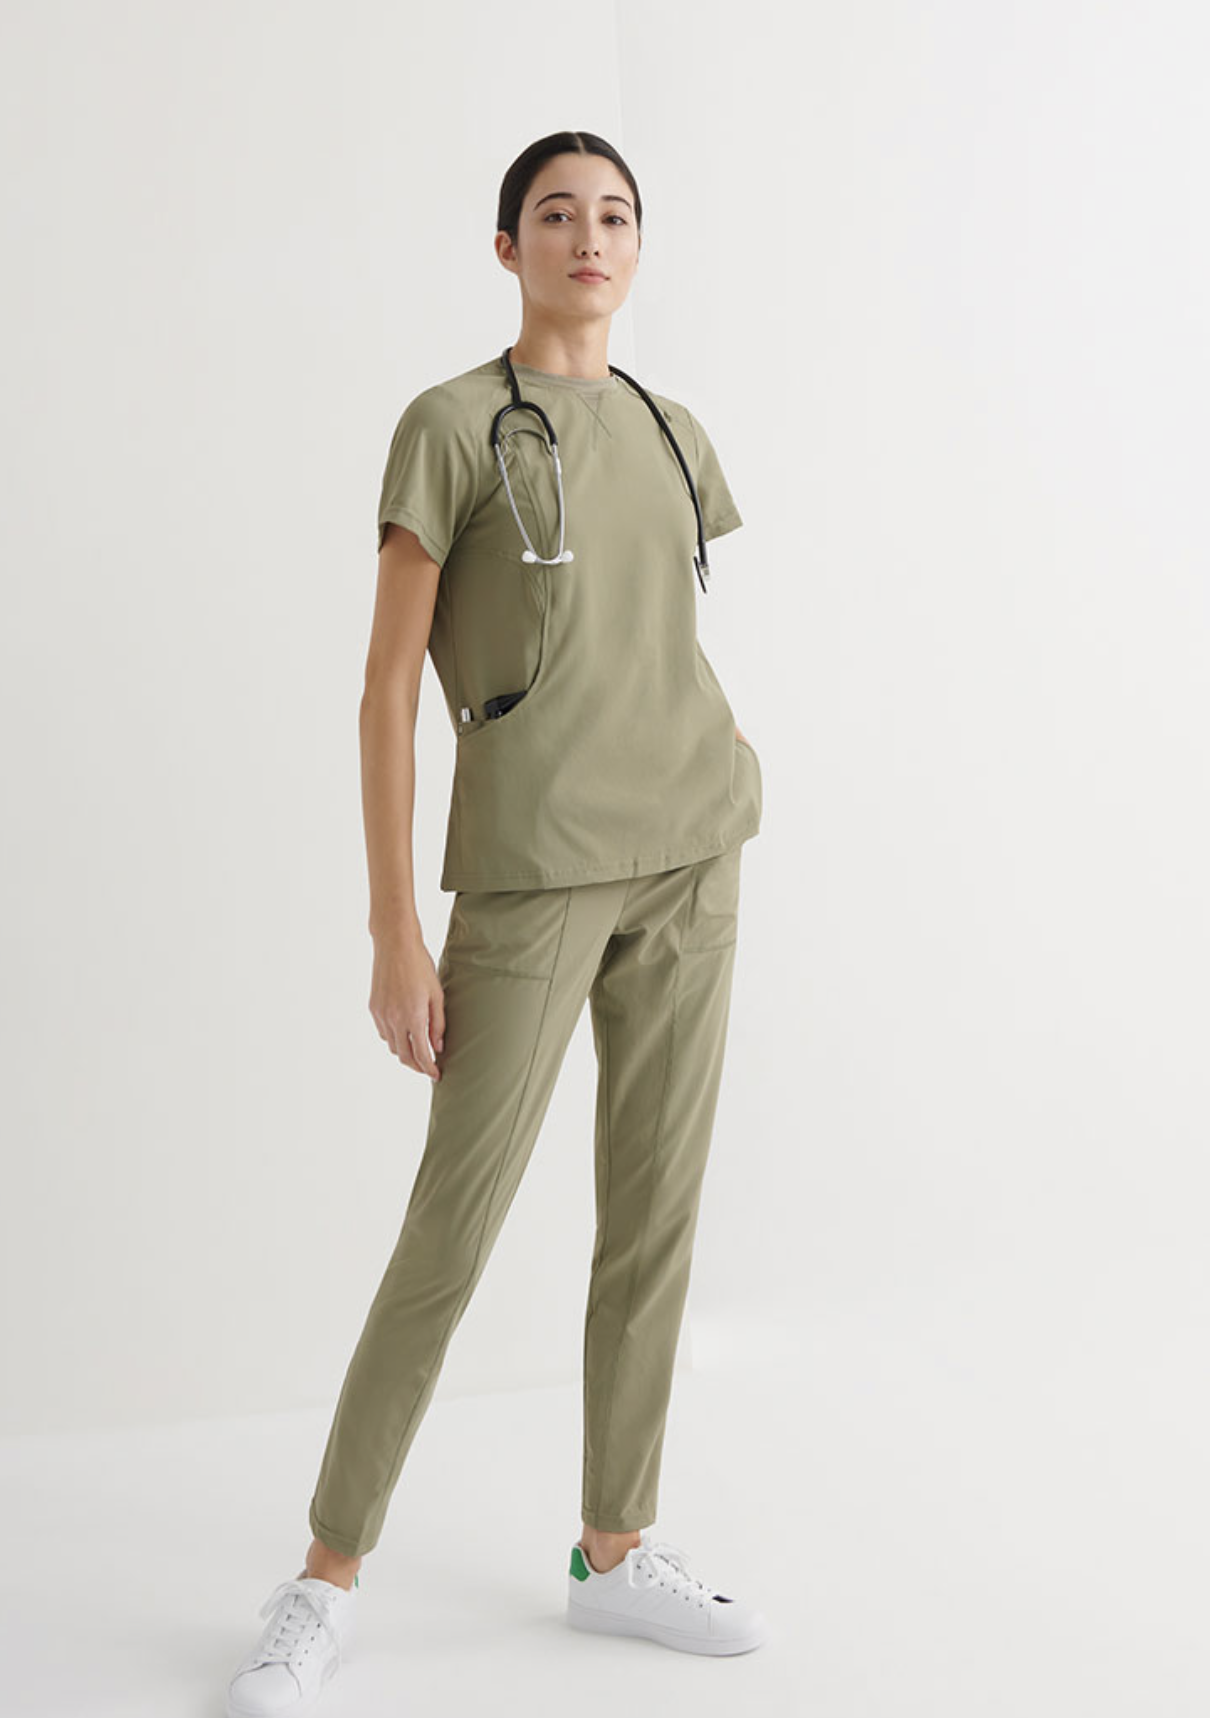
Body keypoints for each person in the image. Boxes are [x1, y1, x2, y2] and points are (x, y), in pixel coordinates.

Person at [225, 129, 769, 1718]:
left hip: (694, 852)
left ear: (636, 246)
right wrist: (394, 927)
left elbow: (653, 636)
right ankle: (323, 1576)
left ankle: (614, 1548)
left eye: (613, 215)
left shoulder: (669, 428)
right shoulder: (452, 425)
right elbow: (386, 689)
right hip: (530, 872)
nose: (587, 236)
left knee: (653, 1217)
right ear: (506, 246)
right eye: (554, 213)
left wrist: (715, 781)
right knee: (448, 1235)